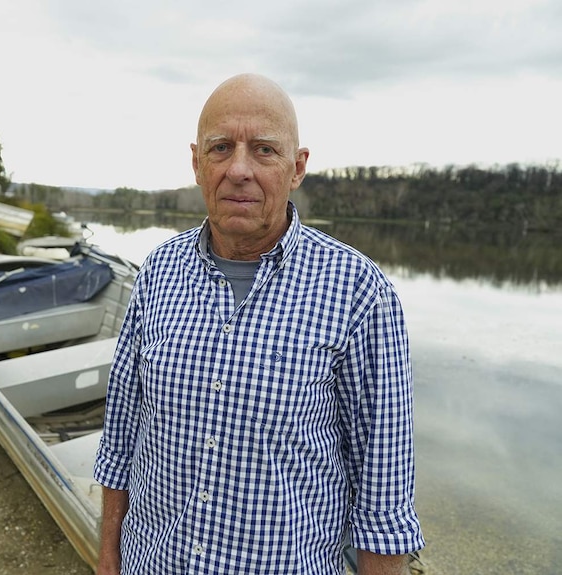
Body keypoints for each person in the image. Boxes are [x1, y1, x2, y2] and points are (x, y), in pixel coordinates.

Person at [93, 73, 424, 574]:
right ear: (197, 164)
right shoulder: (158, 271)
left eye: (265, 150)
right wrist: (107, 559)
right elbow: (121, 435)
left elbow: (384, 500)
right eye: (221, 148)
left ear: (297, 167)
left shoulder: (360, 294)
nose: (239, 169)